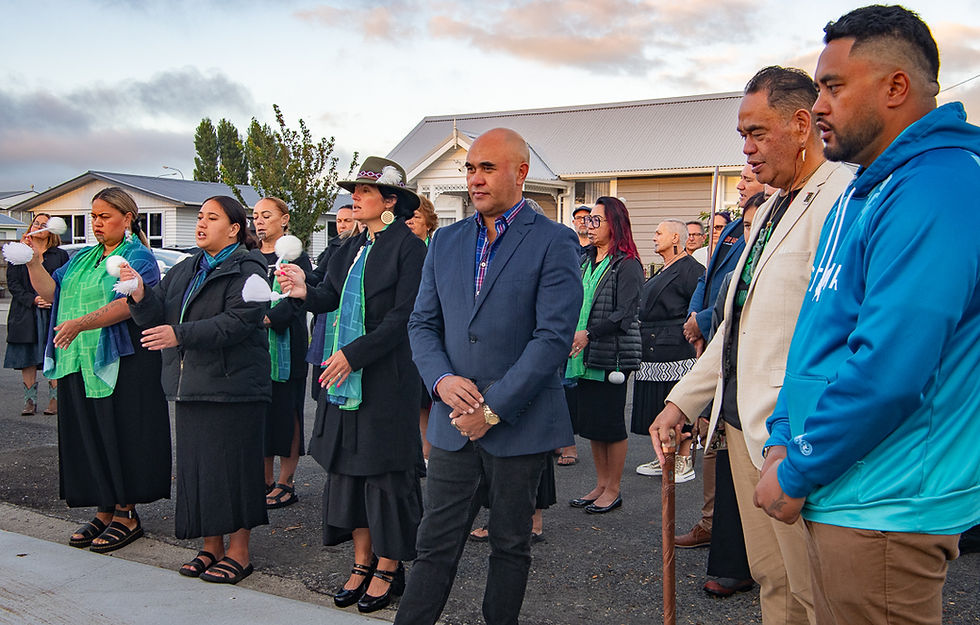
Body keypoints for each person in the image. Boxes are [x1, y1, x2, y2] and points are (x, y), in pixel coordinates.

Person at [756, 7, 980, 625]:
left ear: (896, 87)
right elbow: (816, 338)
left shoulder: (939, 187)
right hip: (839, 491)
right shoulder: (862, 190)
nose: (818, 104)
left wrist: (796, 466)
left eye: (833, 86)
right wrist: (781, 436)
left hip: (883, 506)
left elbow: (891, 368)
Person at [650, 66, 854, 625]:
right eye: (742, 136)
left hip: (793, 435)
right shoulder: (767, 210)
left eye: (757, 134)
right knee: (772, 578)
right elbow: (736, 324)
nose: (747, 151)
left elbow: (838, 333)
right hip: (740, 424)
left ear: (801, 123)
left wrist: (801, 442)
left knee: (813, 591)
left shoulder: (844, 196)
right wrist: (682, 401)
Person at [396, 128, 581, 625]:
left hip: (518, 424)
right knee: (433, 544)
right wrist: (440, 381)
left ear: (521, 173)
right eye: (471, 169)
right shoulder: (445, 241)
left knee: (510, 546)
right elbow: (422, 323)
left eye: (487, 168)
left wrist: (492, 409)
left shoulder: (555, 241)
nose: (475, 179)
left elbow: (552, 338)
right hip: (452, 424)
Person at [277, 156, 427, 614]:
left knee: (382, 476)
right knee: (348, 473)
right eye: (354, 192)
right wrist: (304, 290)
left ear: (390, 200)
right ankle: (361, 562)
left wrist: (353, 354)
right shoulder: (351, 244)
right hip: (344, 380)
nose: (354, 198)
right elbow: (330, 296)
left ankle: (388, 566)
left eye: (363, 192)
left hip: (384, 380)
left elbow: (404, 319)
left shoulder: (409, 247)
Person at [124, 195, 269, 583]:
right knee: (199, 472)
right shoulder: (188, 267)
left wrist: (180, 334)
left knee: (233, 471)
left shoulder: (250, 267)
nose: (201, 223)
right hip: (190, 385)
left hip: (234, 386)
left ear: (235, 229)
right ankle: (210, 547)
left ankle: (239, 553)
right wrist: (138, 292)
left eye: (212, 218)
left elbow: (239, 322)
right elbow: (156, 313)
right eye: (200, 216)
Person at [23, 186, 171, 553]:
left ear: (127, 218)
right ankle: (105, 507)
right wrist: (32, 260)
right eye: (94, 216)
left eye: (105, 216)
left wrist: (81, 324)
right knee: (89, 433)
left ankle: (127, 513)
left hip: (121, 361)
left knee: (120, 434)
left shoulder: (137, 255)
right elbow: (52, 292)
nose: (97, 223)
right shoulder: (81, 258)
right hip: (78, 359)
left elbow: (129, 305)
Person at [565, 196, 642, 514]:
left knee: (611, 425)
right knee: (593, 426)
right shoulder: (585, 260)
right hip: (582, 355)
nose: (589, 225)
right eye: (588, 220)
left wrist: (589, 334)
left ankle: (613, 488)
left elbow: (624, 314)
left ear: (615, 224)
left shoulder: (627, 264)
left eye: (597, 220)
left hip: (610, 356)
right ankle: (599, 483)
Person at [252, 196, 312, 510]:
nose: (259, 221)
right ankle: (262, 479)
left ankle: (286, 482)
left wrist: (268, 319)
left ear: (284, 219)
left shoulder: (295, 256)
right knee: (261, 413)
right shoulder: (248, 256)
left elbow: (297, 299)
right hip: (255, 347)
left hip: (287, 342)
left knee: (287, 413)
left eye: (266, 215)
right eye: (255, 216)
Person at [631, 220, 701, 481]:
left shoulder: (691, 269)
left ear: (675, 238)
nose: (653, 238)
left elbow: (699, 305)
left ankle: (683, 459)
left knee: (677, 403)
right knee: (656, 405)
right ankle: (664, 456)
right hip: (652, 345)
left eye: (658, 233)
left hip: (677, 347)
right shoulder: (663, 269)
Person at [5, 213, 69, 415]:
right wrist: (32, 299)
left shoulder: (59, 255)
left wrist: (51, 298)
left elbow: (64, 282)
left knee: (53, 353)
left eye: (44, 224)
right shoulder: (18, 253)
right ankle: (29, 401)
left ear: (51, 230)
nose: (39, 227)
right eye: (36, 223)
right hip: (25, 312)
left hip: (52, 312)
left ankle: (55, 400)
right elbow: (13, 284)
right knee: (27, 356)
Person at [308, 204, 357, 402]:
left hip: (348, 320)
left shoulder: (362, 246)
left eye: (347, 220)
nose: (342, 225)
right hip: (327, 318)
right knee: (320, 389)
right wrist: (300, 281)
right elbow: (319, 277)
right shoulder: (334, 246)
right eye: (338, 221)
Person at [406, 195, 439, 465]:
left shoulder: (435, 250)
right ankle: (419, 451)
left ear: (428, 221)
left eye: (416, 217)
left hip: (433, 331)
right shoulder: (402, 249)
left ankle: (430, 452)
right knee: (414, 399)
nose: (410, 222)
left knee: (430, 398)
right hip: (407, 330)